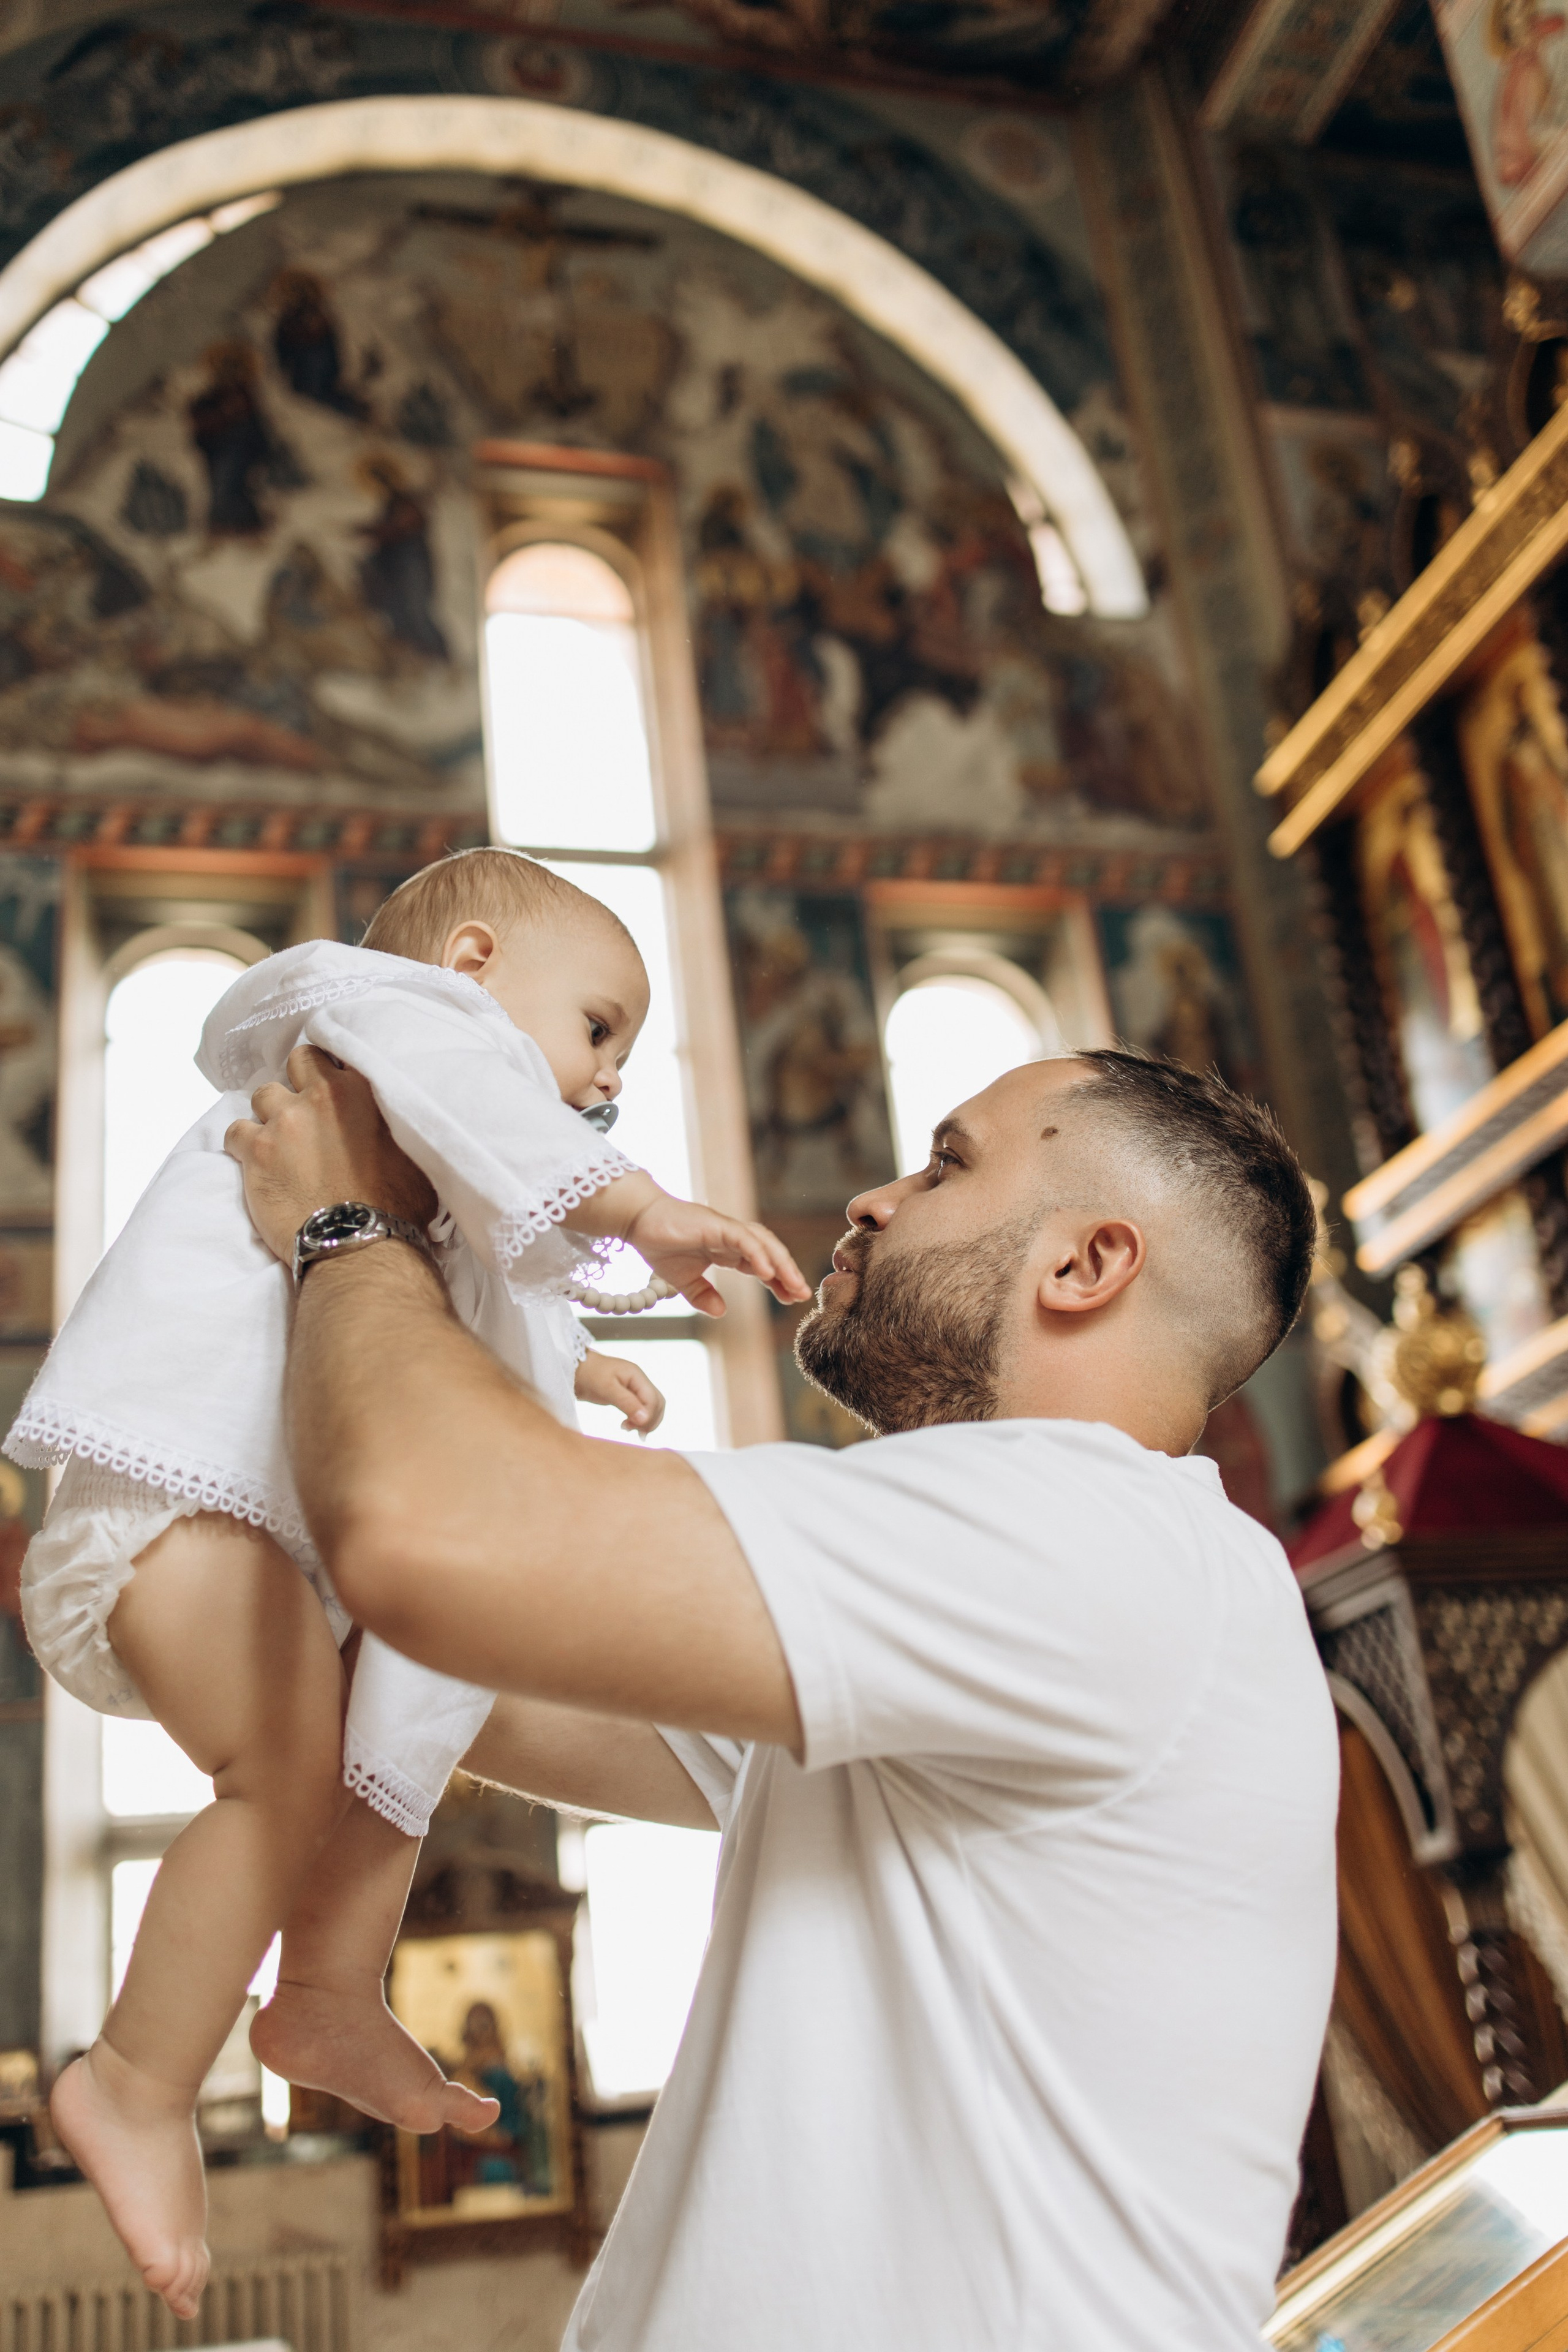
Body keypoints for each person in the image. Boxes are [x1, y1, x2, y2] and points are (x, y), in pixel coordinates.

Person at [224, 1038, 1340, 2351]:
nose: (871, 1199)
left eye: (945, 1163)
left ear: (1084, 1265)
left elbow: (423, 1543)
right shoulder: (1002, 1607)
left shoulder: (1097, 1535)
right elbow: (424, 1673)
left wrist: (349, 1226)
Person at [12, 848, 807, 2323]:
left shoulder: (420, 1141)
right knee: (278, 1777)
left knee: (399, 1726)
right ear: (474, 969)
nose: (606, 1076)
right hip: (180, 1501)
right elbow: (486, 1130)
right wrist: (642, 1212)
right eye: (596, 1029)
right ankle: (132, 2078)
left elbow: (449, 1312)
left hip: (266, 1533)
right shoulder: (380, 1018)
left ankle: (322, 1990)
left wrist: (576, 1356)